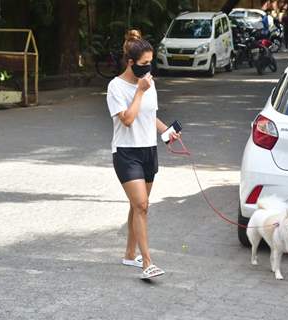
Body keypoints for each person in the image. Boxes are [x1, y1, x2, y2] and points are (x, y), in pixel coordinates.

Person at [106, 29, 180, 280]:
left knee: (137, 206)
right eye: (144, 64)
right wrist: (139, 91)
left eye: (151, 63)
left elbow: (150, 116)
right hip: (126, 153)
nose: (149, 68)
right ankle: (147, 262)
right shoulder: (115, 87)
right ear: (130, 63)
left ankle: (129, 254)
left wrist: (167, 131)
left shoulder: (150, 82)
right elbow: (127, 119)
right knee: (142, 205)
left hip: (149, 150)